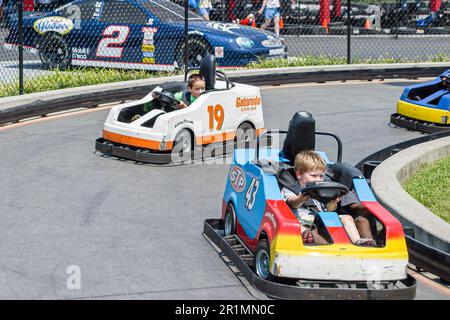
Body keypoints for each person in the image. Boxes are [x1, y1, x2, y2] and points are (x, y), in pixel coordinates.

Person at [281, 150, 376, 246]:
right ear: (299, 174)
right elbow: (291, 203)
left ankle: (358, 241)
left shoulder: (322, 190)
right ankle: (307, 237)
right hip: (302, 220)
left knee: (346, 218)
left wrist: (333, 202)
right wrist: (302, 198)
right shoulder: (291, 187)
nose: (318, 179)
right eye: (314, 175)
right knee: (299, 227)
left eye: (321, 176)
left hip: (320, 221)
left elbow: (329, 210)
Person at [131, 74, 205, 122]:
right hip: (175, 117)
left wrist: (184, 107)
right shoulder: (183, 95)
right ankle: (143, 116)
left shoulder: (204, 98)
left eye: (203, 88)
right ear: (189, 89)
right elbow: (172, 98)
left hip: (190, 121)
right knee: (155, 104)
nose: (200, 91)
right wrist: (158, 97)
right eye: (197, 89)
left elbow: (197, 114)